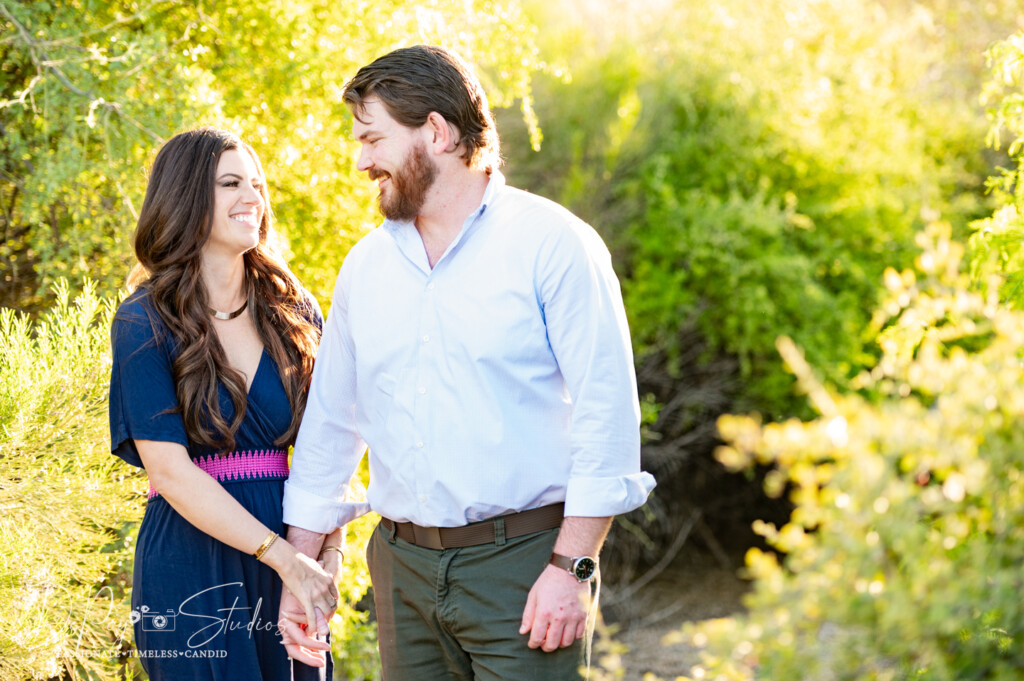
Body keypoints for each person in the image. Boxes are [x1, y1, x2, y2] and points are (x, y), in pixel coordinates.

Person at [279, 46, 656, 680]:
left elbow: (608, 421)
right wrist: (300, 566)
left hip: (528, 567)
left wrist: (574, 569)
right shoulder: (365, 267)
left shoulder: (554, 245)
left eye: (374, 139)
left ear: (437, 131)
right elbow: (332, 425)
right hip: (400, 569)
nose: (362, 160)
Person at [108, 127, 341, 680]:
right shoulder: (143, 320)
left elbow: (329, 442)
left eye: (258, 185)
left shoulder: (294, 310)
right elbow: (169, 471)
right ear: (187, 196)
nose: (253, 198)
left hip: (294, 547)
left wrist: (327, 552)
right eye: (231, 183)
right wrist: (286, 559)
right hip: (191, 559)